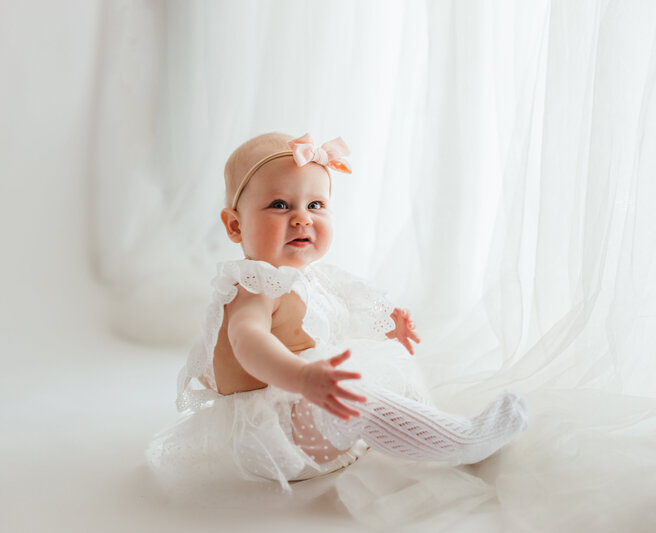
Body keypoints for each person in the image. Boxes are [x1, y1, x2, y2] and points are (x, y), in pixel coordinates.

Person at [147, 132, 528, 492]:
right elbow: (248, 340)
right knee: (352, 395)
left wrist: (387, 327)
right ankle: (461, 442)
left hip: (309, 421)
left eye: (315, 205)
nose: (302, 218)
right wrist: (300, 377)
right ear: (235, 225)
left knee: (386, 363)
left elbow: (338, 319)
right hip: (275, 439)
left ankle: (428, 424)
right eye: (280, 205)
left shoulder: (308, 277)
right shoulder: (254, 285)